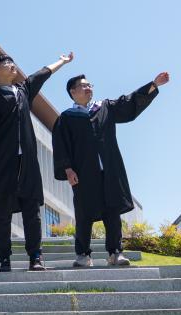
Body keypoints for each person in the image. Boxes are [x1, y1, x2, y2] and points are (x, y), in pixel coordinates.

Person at [0, 51, 73, 272]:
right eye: (6, 63)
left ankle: (35, 257)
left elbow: (42, 74)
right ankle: (4, 258)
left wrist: (62, 61)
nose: (12, 65)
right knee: (2, 211)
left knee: (32, 210)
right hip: (4, 161)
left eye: (12, 62)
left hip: (28, 162)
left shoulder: (23, 91)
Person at [52, 71, 170, 267]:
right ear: (73, 91)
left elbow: (128, 102)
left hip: (109, 170)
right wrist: (68, 169)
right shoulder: (66, 118)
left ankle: (115, 252)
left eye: (90, 85)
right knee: (83, 213)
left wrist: (153, 85)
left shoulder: (105, 107)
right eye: (84, 85)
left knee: (112, 211)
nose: (88, 88)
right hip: (83, 174)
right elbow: (61, 146)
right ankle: (83, 255)